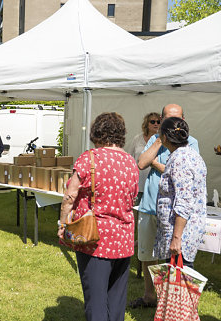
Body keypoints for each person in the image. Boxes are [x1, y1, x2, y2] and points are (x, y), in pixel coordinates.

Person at [58, 112, 139, 321]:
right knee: (117, 301)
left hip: (94, 239)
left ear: (97, 132)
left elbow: (70, 196)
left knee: (96, 301)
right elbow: (131, 198)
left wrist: (63, 223)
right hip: (123, 239)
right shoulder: (131, 161)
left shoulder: (90, 158)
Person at [130, 104, 199, 309]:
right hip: (150, 204)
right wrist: (160, 139)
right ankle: (150, 296)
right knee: (147, 253)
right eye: (166, 119)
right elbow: (142, 163)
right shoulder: (157, 139)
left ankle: (171, 302)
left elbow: (177, 171)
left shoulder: (190, 143)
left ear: (184, 119)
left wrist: (157, 164)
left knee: (171, 258)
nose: (171, 123)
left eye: (176, 119)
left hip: (172, 212)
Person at [155, 117, 206, 267]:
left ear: (164, 137)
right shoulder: (190, 154)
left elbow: (184, 201)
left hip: (181, 233)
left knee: (177, 284)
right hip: (185, 230)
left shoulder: (180, 159)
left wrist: (177, 238)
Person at [127, 112, 161, 201]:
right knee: (136, 211)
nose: (156, 124)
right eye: (152, 122)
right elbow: (129, 159)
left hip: (155, 184)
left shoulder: (163, 140)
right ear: (146, 124)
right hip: (138, 183)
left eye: (158, 122)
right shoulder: (137, 139)